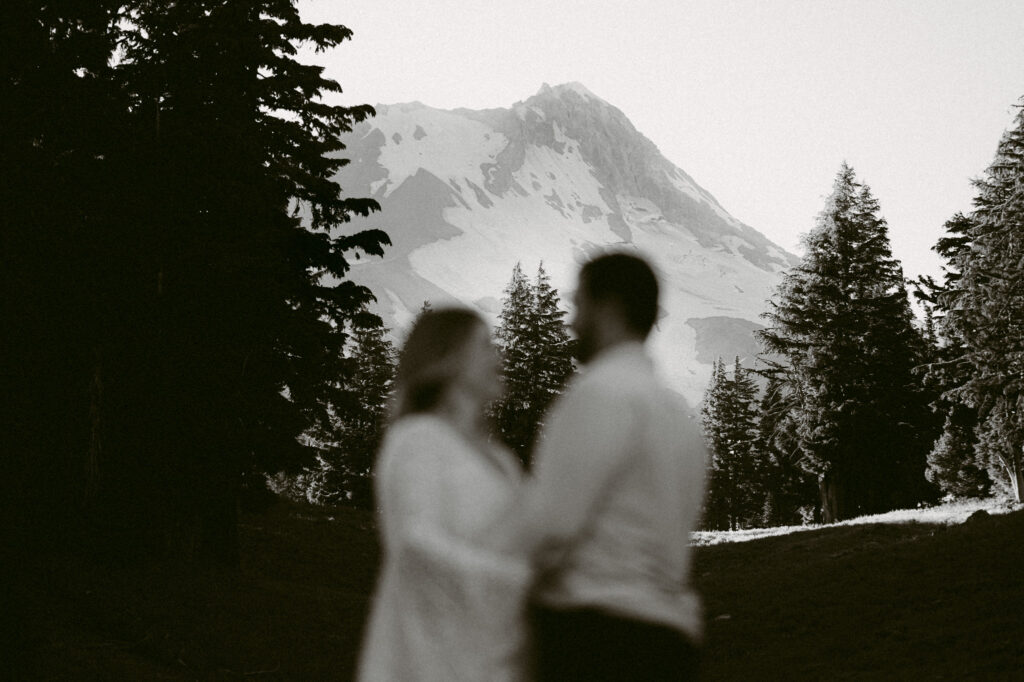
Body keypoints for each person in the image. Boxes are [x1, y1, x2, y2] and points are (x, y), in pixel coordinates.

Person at [512, 252, 708, 681]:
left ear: (609, 308)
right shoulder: (678, 416)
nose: (572, 321)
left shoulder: (598, 394)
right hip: (670, 640)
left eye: (579, 304)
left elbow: (550, 531)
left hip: (596, 637)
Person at [356, 307, 530, 682]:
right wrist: (523, 587)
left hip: (495, 663)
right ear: (448, 358)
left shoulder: (503, 461)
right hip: (426, 661)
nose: (498, 356)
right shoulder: (416, 439)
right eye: (485, 345)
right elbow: (418, 548)